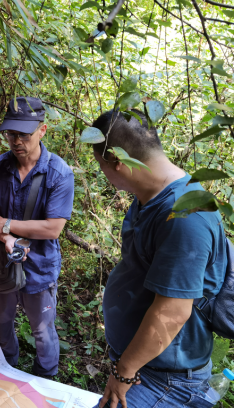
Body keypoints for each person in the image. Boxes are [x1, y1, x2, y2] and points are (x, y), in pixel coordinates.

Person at [91, 110, 227, 408]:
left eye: (101, 164)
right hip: (145, 365)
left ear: (116, 160)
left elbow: (173, 313)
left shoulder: (185, 217)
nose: (103, 173)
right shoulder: (148, 195)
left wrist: (124, 372)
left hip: (164, 379)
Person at [0, 97, 75, 379]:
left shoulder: (58, 173)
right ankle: (5, 365)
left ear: (42, 130)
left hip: (39, 265)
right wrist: (7, 238)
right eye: (11, 134)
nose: (17, 141)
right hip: (2, 261)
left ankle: (45, 376)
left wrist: (7, 225)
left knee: (42, 330)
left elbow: (52, 229)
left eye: (24, 134)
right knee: (1, 321)